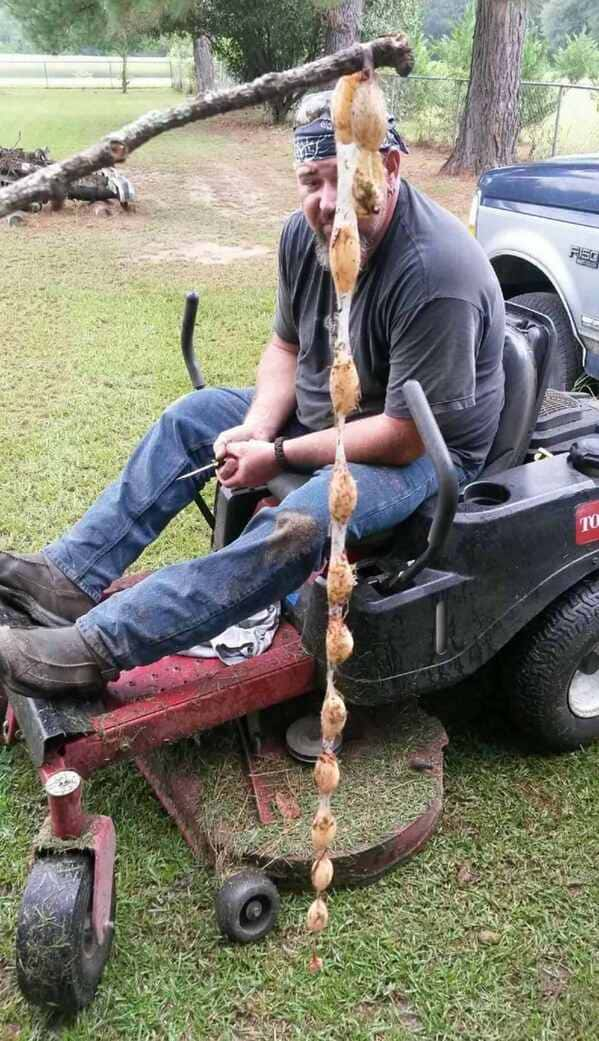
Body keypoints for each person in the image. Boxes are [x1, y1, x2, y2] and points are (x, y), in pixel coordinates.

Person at [0, 91, 505, 701]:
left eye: (345, 180)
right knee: (191, 417)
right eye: (311, 181)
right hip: (333, 414)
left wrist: (283, 456)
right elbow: (286, 349)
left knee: (302, 519)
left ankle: (97, 648)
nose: (326, 203)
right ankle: (68, 579)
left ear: (390, 167)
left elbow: (401, 437)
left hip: (423, 450)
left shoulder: (437, 273)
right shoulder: (304, 234)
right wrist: (260, 427)